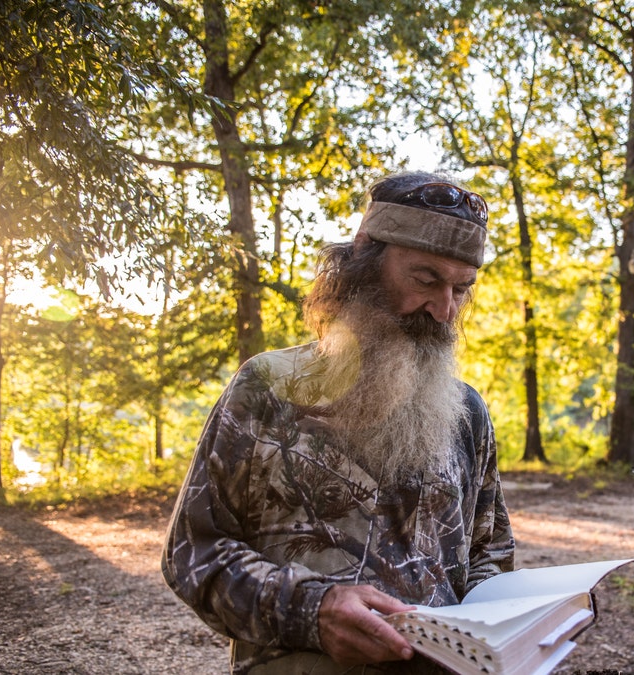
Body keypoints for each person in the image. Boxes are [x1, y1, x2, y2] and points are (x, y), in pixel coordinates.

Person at [162, 172, 516, 675]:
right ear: (366, 255)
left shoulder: (467, 412)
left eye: (462, 289)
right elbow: (191, 553)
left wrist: (515, 621)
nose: (444, 311)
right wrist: (314, 611)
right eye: (425, 279)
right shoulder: (269, 386)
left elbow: (491, 553)